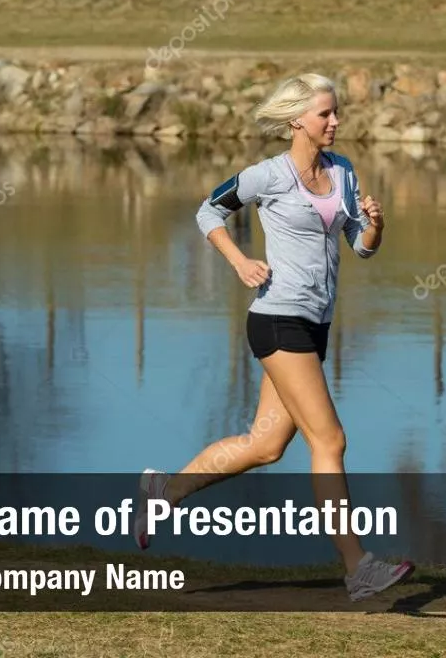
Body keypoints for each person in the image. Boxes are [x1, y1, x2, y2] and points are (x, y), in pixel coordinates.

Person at [132, 73, 415, 601]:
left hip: (315, 324)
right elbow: (207, 211)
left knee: (264, 445)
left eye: (335, 113)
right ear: (296, 121)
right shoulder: (268, 176)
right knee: (330, 441)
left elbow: (363, 247)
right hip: (277, 320)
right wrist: (239, 261)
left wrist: (376, 224)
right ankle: (358, 568)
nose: (335, 122)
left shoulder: (344, 173)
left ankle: (163, 492)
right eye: (325, 114)